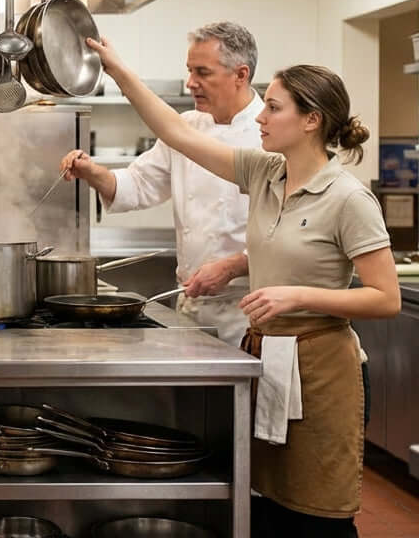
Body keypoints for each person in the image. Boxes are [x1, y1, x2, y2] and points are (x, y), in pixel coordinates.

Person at [81, 35, 400, 537]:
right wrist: (118, 69)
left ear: (311, 120)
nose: (260, 118)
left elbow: (386, 298)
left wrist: (297, 294)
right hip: (267, 354)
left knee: (319, 516)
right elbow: (177, 133)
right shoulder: (265, 172)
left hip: (321, 367)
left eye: (273, 108)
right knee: (267, 508)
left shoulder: (348, 198)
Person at [59, 22, 262, 346]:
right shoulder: (187, 125)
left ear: (241, 74)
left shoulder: (268, 134)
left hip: (247, 313)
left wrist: (233, 267)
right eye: (189, 70)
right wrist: (93, 172)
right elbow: (140, 184)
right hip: (191, 305)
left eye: (202, 72)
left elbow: (285, 232)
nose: (190, 83)